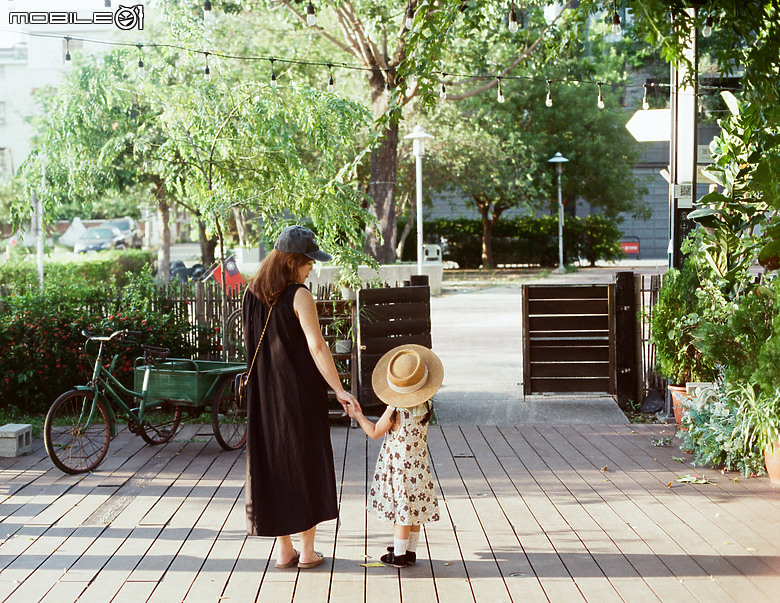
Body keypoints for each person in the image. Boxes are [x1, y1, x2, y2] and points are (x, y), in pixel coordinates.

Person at [243, 224, 360, 570]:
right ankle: (307, 552)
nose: (312, 268)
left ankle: (285, 551)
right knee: (304, 463)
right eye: (309, 262)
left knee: (275, 465)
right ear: (293, 261)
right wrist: (339, 389)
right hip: (298, 395)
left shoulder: (251, 293)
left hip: (263, 397)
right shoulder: (299, 295)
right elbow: (317, 346)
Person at [347, 344, 443, 568]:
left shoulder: (395, 410)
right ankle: (410, 551)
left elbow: (374, 432)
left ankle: (398, 556)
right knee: (415, 512)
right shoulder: (426, 404)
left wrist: (358, 415)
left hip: (400, 472)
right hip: (419, 469)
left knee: (403, 514)